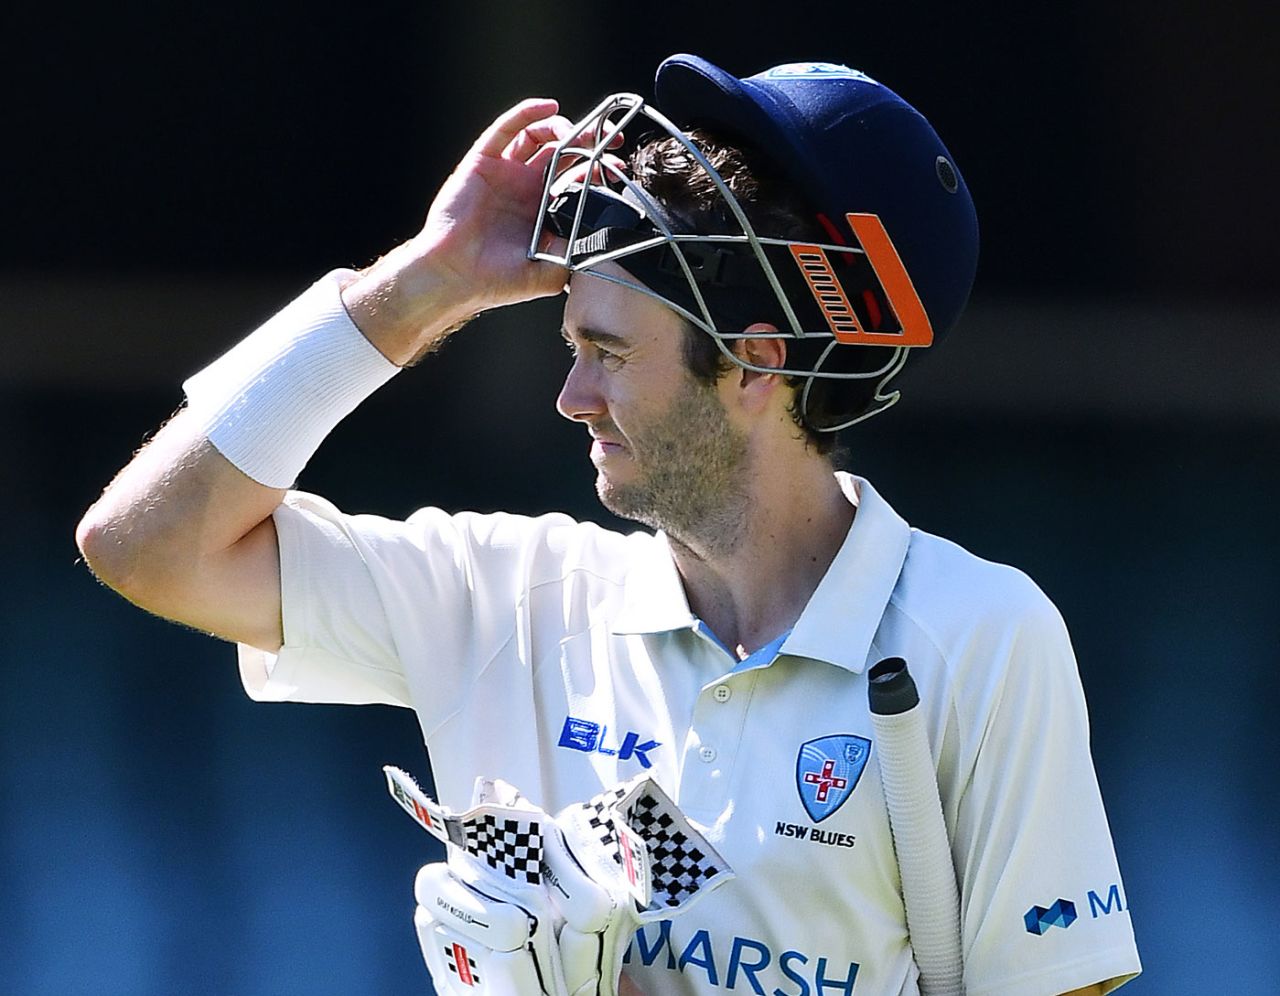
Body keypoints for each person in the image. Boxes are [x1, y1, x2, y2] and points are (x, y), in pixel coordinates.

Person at [76, 54, 1141, 995]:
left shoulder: (980, 634)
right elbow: (141, 546)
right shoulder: (503, 599)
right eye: (571, 346)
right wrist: (424, 284)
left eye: (611, 352)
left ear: (758, 361)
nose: (571, 397)